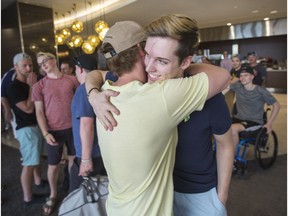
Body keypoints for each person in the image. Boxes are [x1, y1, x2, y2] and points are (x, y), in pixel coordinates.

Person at [85, 16, 230, 215]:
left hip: (197, 194)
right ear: (140, 52)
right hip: (159, 200)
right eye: (148, 56)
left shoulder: (110, 89)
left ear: (185, 61)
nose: (148, 67)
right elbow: (97, 74)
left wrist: (219, 199)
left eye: (161, 60)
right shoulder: (148, 92)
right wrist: (92, 94)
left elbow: (226, 144)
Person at [32, 52, 79, 215]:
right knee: (53, 166)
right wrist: (45, 133)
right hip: (53, 131)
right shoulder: (39, 86)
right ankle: (53, 194)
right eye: (40, 63)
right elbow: (39, 112)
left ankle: (73, 190)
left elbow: (80, 102)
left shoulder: (72, 80)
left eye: (45, 60)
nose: (43, 64)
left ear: (54, 60)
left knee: (74, 162)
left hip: (73, 128)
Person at [6, 53, 46, 207]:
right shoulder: (13, 87)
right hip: (26, 130)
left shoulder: (30, 82)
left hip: (35, 127)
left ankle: (38, 181)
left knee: (36, 160)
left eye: (30, 65)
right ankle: (28, 198)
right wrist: (31, 86)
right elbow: (29, 109)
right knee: (29, 164)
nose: (29, 68)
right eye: (25, 66)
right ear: (16, 67)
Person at [69, 54, 107, 192]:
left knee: (78, 198)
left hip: (90, 154)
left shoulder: (82, 90)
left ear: (79, 69)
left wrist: (85, 160)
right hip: (102, 151)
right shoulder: (100, 86)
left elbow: (87, 125)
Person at [223, 66, 280, 154]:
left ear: (252, 77)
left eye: (246, 75)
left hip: (254, 121)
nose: (243, 78)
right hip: (238, 119)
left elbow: (277, 105)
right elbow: (225, 87)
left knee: (233, 129)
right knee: (217, 124)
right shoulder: (238, 87)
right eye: (241, 76)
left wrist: (269, 124)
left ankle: (231, 160)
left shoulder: (261, 91)